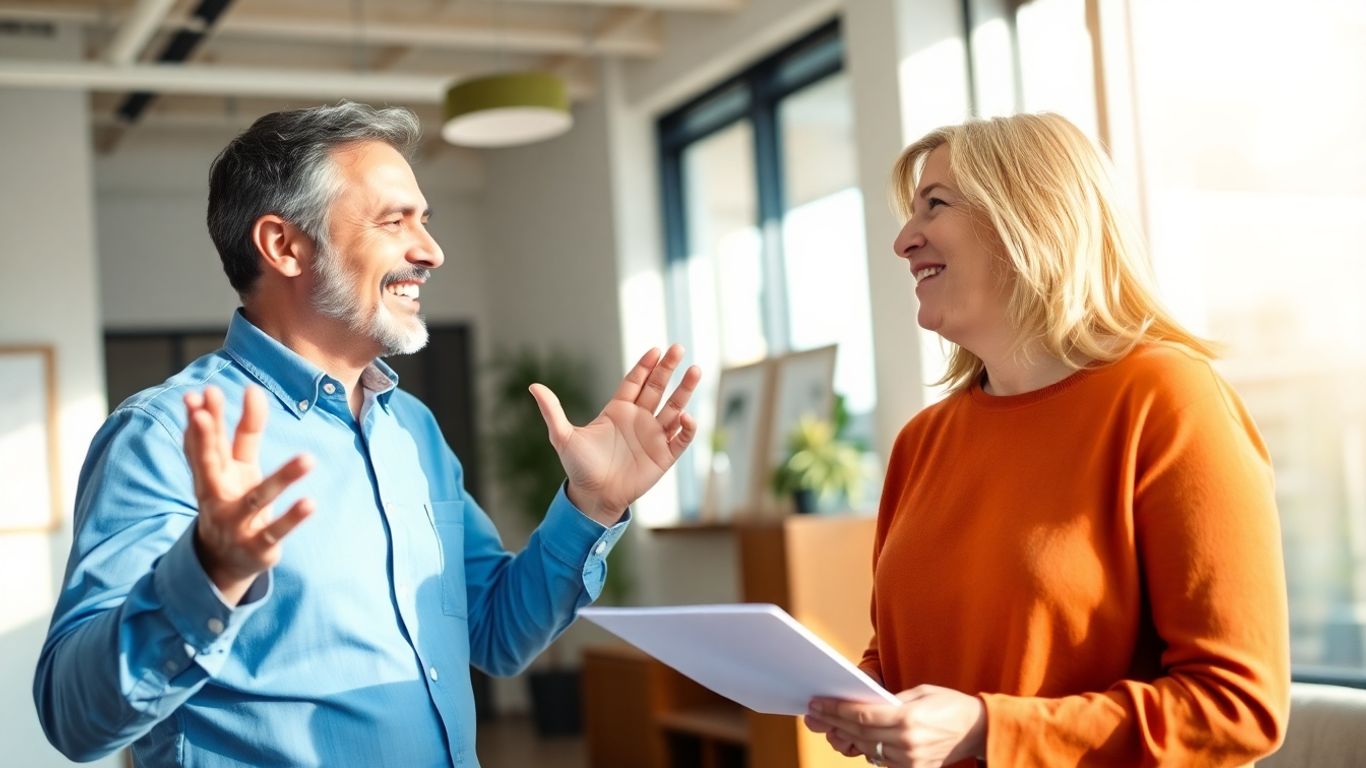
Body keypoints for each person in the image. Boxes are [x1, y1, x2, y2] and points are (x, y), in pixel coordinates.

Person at [33, 102, 701, 767]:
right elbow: (74, 718)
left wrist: (593, 508)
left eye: (426, 221)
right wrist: (209, 574)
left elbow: (497, 633)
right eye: (394, 221)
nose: (431, 251)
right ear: (284, 245)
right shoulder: (163, 435)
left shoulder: (411, 429)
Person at [803, 113, 1288, 767]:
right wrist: (867, 702)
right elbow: (900, 657)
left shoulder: (1168, 399)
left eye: (934, 206)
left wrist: (986, 728)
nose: (903, 241)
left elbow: (1238, 708)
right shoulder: (921, 442)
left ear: (1028, 216)